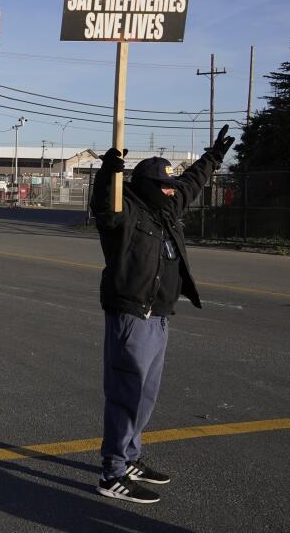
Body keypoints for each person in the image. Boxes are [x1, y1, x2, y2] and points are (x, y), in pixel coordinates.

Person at [89, 124, 235, 504]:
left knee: (145, 395)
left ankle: (130, 457)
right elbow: (104, 206)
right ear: (147, 186)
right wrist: (110, 172)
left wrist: (213, 157)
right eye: (165, 184)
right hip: (132, 316)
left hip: (159, 316)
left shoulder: (165, 210)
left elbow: (191, 184)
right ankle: (113, 472)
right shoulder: (126, 211)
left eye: (171, 185)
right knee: (126, 393)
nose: (172, 190)